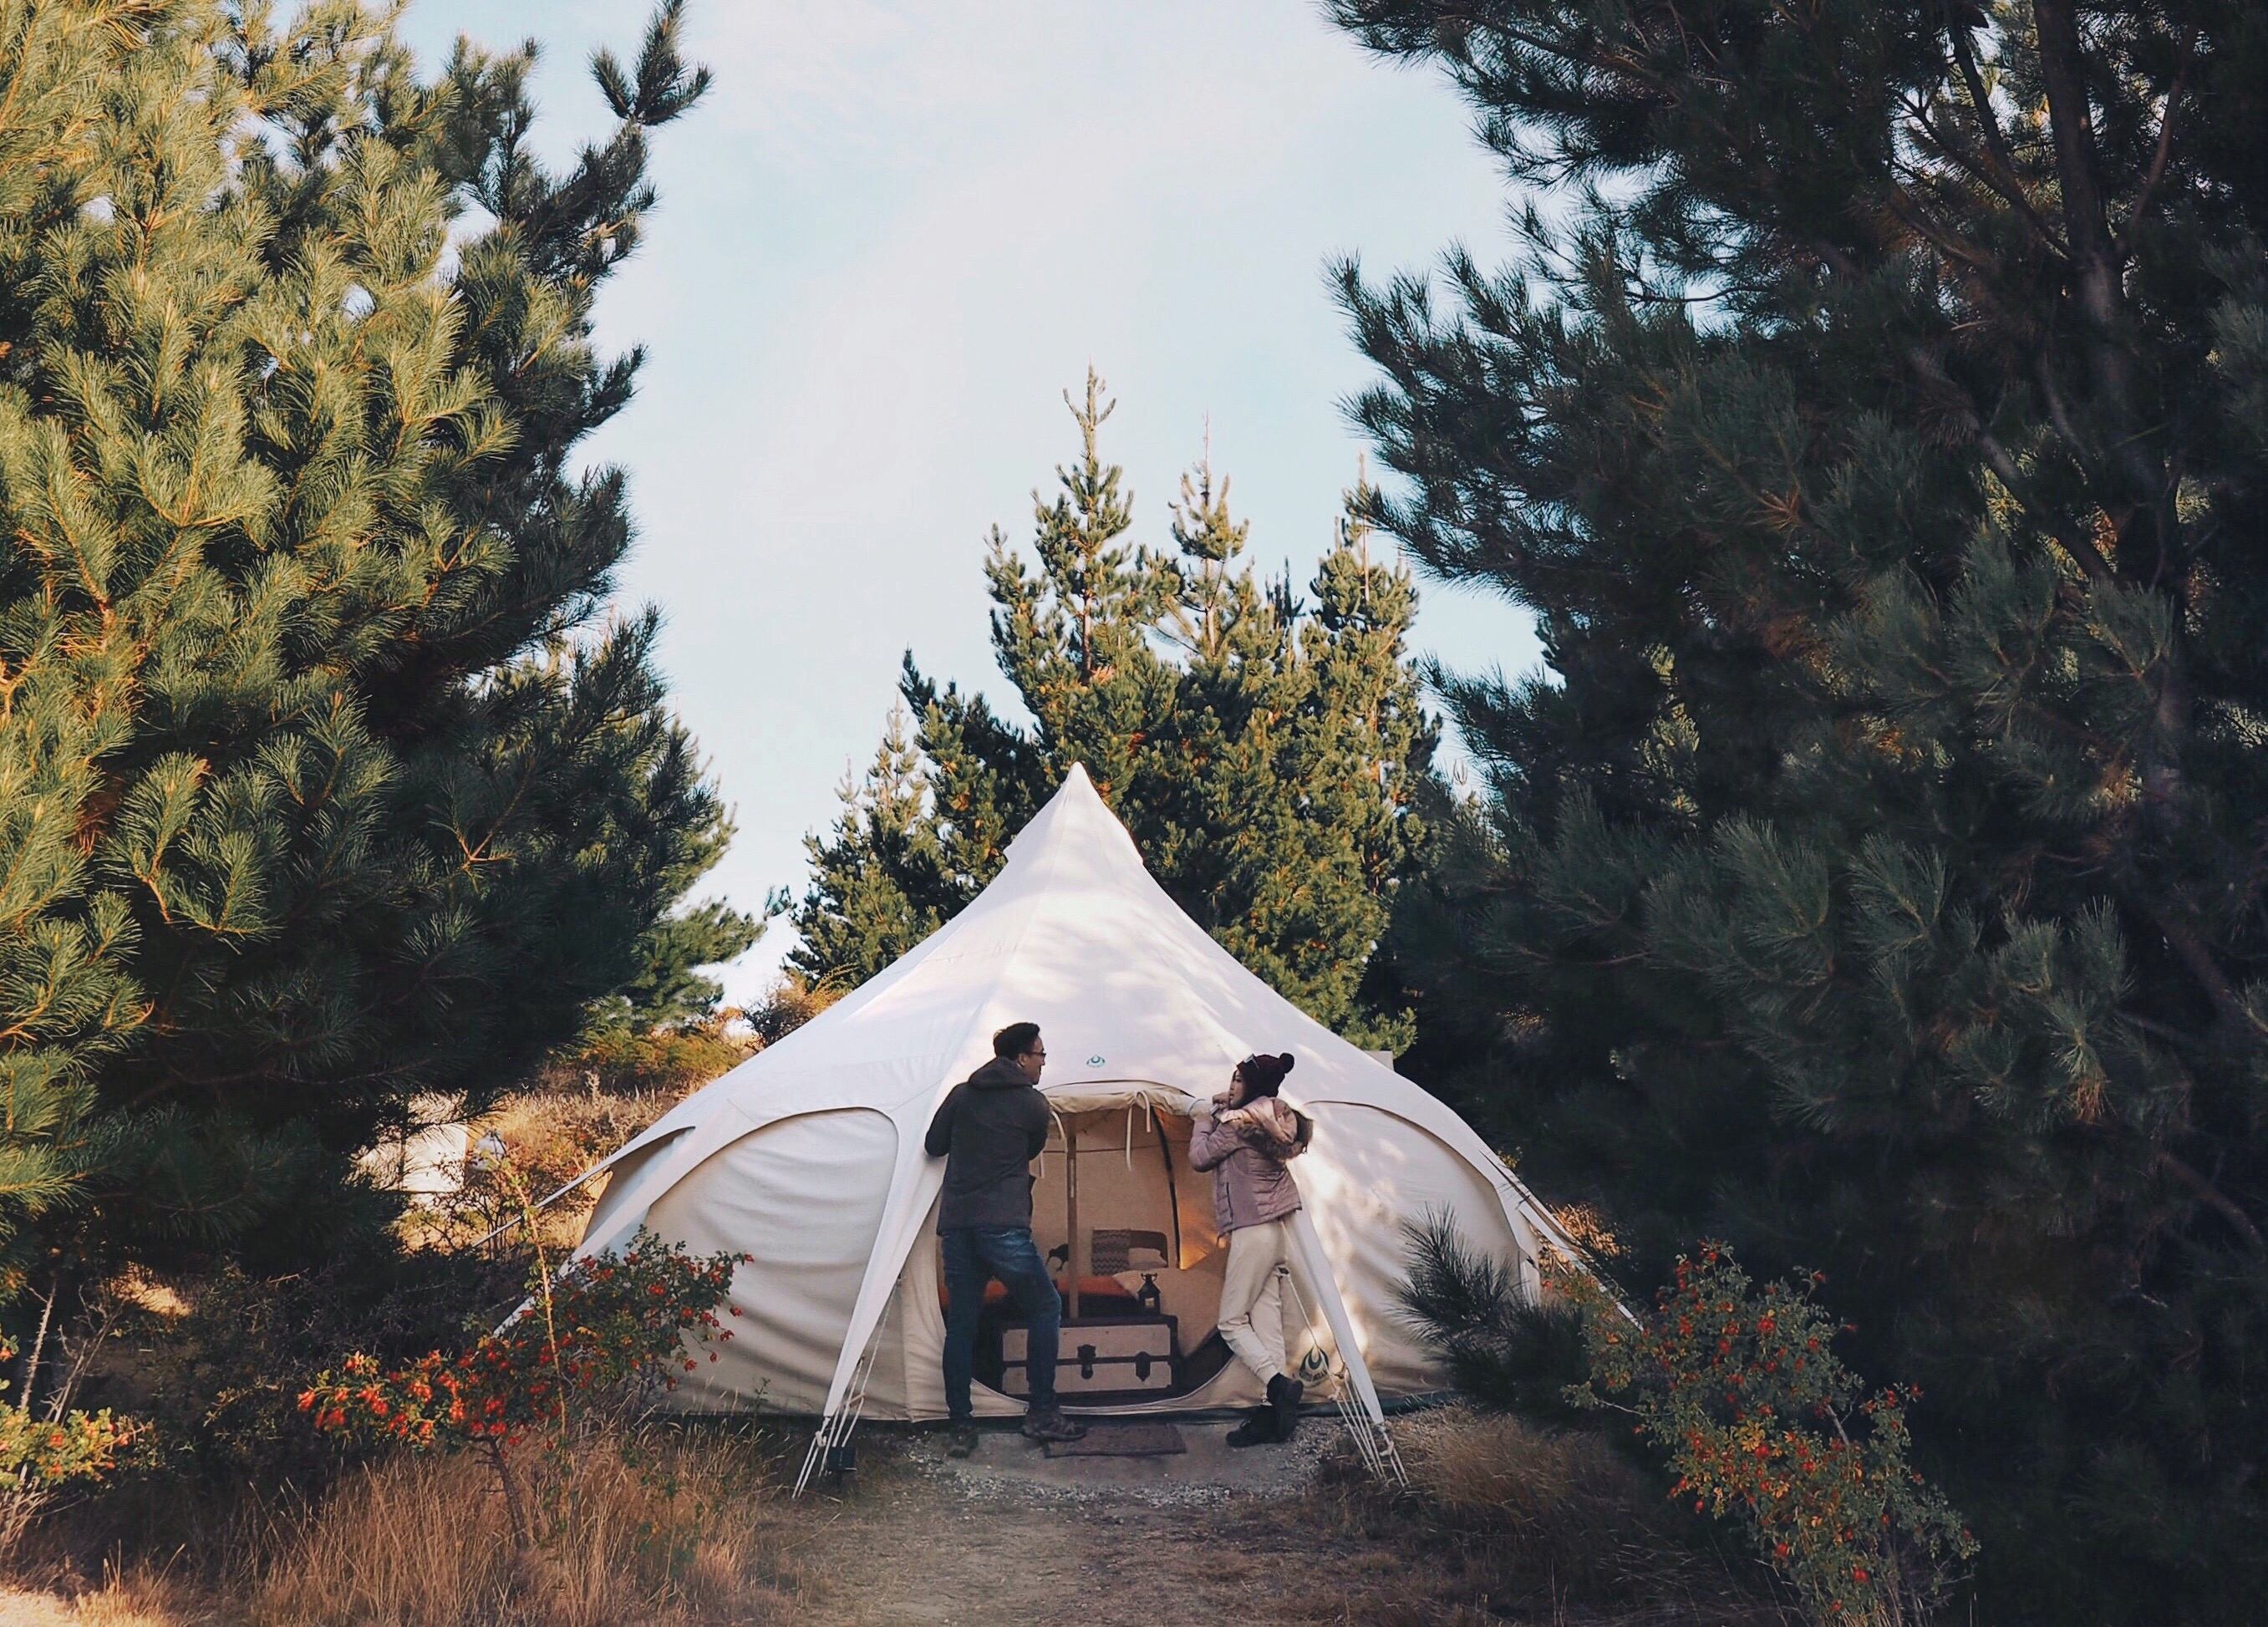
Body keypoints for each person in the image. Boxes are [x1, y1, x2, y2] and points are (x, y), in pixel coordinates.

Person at [925, 1021, 1086, 1457]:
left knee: (961, 1323)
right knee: (1046, 1305)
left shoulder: (961, 1094)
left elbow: (933, 1144)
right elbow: (1030, 1150)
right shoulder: (1033, 1105)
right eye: (1040, 1055)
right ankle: (1042, 1412)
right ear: (1020, 1059)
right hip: (1003, 1224)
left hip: (958, 1225)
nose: (1043, 1062)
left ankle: (960, 1424)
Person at [1187, 1050, 1313, 1447]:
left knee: (1231, 1322)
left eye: (1238, 1081)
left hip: (1252, 1229)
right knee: (1267, 1327)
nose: (1230, 1087)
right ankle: (1273, 1418)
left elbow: (1199, 1158)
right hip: (1275, 1232)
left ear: (1253, 1088)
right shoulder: (1271, 1122)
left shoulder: (1236, 1126)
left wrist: (1201, 1118)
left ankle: (1278, 1386)